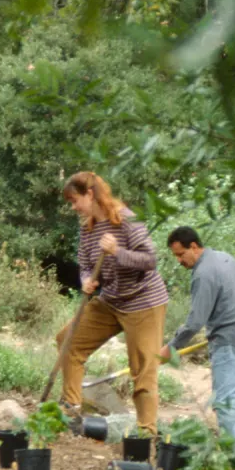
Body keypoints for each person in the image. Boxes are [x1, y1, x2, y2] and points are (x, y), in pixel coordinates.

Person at [56, 171, 169, 434]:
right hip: (111, 301)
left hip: (144, 302)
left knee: (143, 370)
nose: (73, 207)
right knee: (68, 341)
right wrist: (85, 280)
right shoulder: (88, 228)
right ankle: (71, 409)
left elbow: (150, 260)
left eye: (75, 200)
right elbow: (85, 264)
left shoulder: (126, 220)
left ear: (90, 194)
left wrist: (117, 252)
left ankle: (145, 433)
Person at [160, 226, 235, 450]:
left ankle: (233, 458)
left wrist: (171, 348)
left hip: (229, 341)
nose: (179, 261)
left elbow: (195, 322)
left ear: (194, 247)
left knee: (226, 404)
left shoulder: (203, 273)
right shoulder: (227, 259)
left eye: (180, 254)